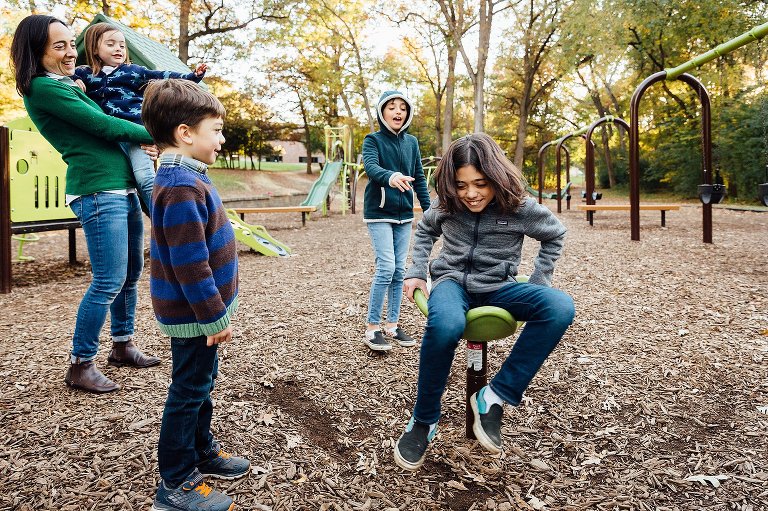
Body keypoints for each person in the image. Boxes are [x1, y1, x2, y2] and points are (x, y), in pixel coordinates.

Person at [393, 133, 575, 470]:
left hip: (499, 286)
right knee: (446, 324)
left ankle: (494, 396)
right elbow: (424, 231)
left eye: (479, 183)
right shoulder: (447, 203)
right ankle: (424, 420)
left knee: (560, 307)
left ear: (495, 177)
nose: (471, 194)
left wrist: (540, 279)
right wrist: (416, 270)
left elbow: (555, 234)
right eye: (462, 186)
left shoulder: (517, 206)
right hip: (451, 283)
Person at [11, 14, 161, 394]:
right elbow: (105, 125)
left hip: (121, 184)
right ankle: (80, 363)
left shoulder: (69, 81)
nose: (69, 52)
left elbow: (112, 114)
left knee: (130, 274)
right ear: (36, 52)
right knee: (109, 278)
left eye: (70, 43)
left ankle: (123, 345)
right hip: (97, 188)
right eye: (58, 46)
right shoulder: (43, 88)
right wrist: (165, 134)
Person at [142, 79, 248, 511]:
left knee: (200, 383)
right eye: (216, 130)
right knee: (188, 390)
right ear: (186, 133)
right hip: (195, 315)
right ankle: (176, 482)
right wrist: (213, 315)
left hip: (199, 313)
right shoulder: (182, 185)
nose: (222, 140)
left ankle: (201, 450)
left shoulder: (185, 176)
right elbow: (189, 262)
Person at [75, 22, 207, 215]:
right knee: (126, 183)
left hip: (136, 135)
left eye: (121, 45)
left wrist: (191, 76)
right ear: (95, 48)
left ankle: (164, 217)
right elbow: (61, 77)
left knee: (145, 178)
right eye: (110, 44)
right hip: (109, 138)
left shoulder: (133, 71)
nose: (118, 48)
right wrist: (74, 81)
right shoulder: (84, 73)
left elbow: (162, 76)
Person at [362, 90, 431, 352]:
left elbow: (419, 177)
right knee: (386, 267)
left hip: (404, 215)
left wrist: (429, 209)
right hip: (379, 212)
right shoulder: (373, 140)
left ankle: (392, 324)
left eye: (402, 107)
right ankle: (372, 328)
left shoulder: (411, 142)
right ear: (382, 112)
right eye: (392, 107)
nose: (398, 111)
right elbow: (371, 168)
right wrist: (391, 177)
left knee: (400, 270)